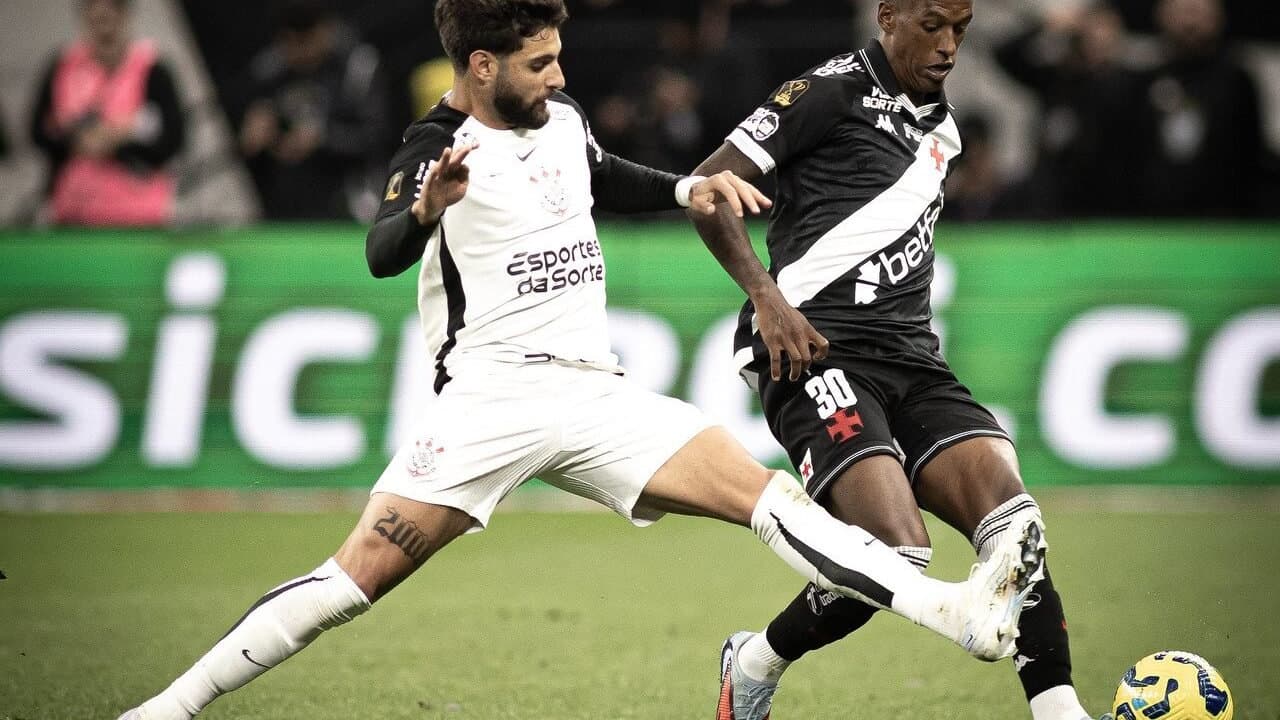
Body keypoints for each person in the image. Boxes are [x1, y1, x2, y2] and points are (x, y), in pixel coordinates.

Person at [115, 2, 1048, 718]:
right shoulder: (435, 146)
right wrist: (426, 211)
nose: (560, 73)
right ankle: (171, 705)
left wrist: (687, 184)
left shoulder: (557, 116)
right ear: (480, 66)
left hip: (596, 395)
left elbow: (598, 171)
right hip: (490, 400)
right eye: (539, 60)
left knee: (771, 500)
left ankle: (950, 612)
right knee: (351, 582)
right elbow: (382, 247)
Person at [687, 1, 1106, 719]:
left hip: (913, 359)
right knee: (895, 551)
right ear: (888, 15)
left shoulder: (940, 123)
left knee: (1017, 531)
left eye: (962, 29)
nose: (949, 46)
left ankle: (1061, 712)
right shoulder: (828, 92)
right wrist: (766, 296)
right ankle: (755, 661)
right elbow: (705, 192)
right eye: (933, 25)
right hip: (817, 352)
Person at [28, 0, 185, 226]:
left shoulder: (154, 70)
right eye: (95, 21)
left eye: (109, 20)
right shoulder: (61, 66)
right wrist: (75, 141)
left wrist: (117, 141)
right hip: (73, 210)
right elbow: (37, 132)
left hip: (139, 212)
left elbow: (174, 140)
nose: (103, 30)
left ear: (125, 17)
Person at [992, 1, 1149, 218]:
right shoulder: (1058, 81)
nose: (1098, 37)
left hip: (1111, 207)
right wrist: (1047, 25)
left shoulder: (1131, 84)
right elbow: (1005, 55)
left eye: (1106, 29)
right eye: (1093, 29)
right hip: (1053, 208)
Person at [236, 0, 390, 221]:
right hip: (284, 210)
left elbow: (378, 139)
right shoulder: (268, 71)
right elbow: (245, 147)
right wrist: (253, 138)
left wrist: (323, 138)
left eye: (305, 42)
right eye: (289, 43)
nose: (299, 52)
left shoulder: (358, 66)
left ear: (325, 28)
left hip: (353, 204)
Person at [1137, 0, 1267, 217]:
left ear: (1219, 18)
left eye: (1198, 12)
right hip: (1154, 220)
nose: (1190, 22)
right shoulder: (1145, 81)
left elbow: (1251, 154)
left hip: (1225, 218)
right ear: (1162, 16)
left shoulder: (1236, 80)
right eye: (1182, 11)